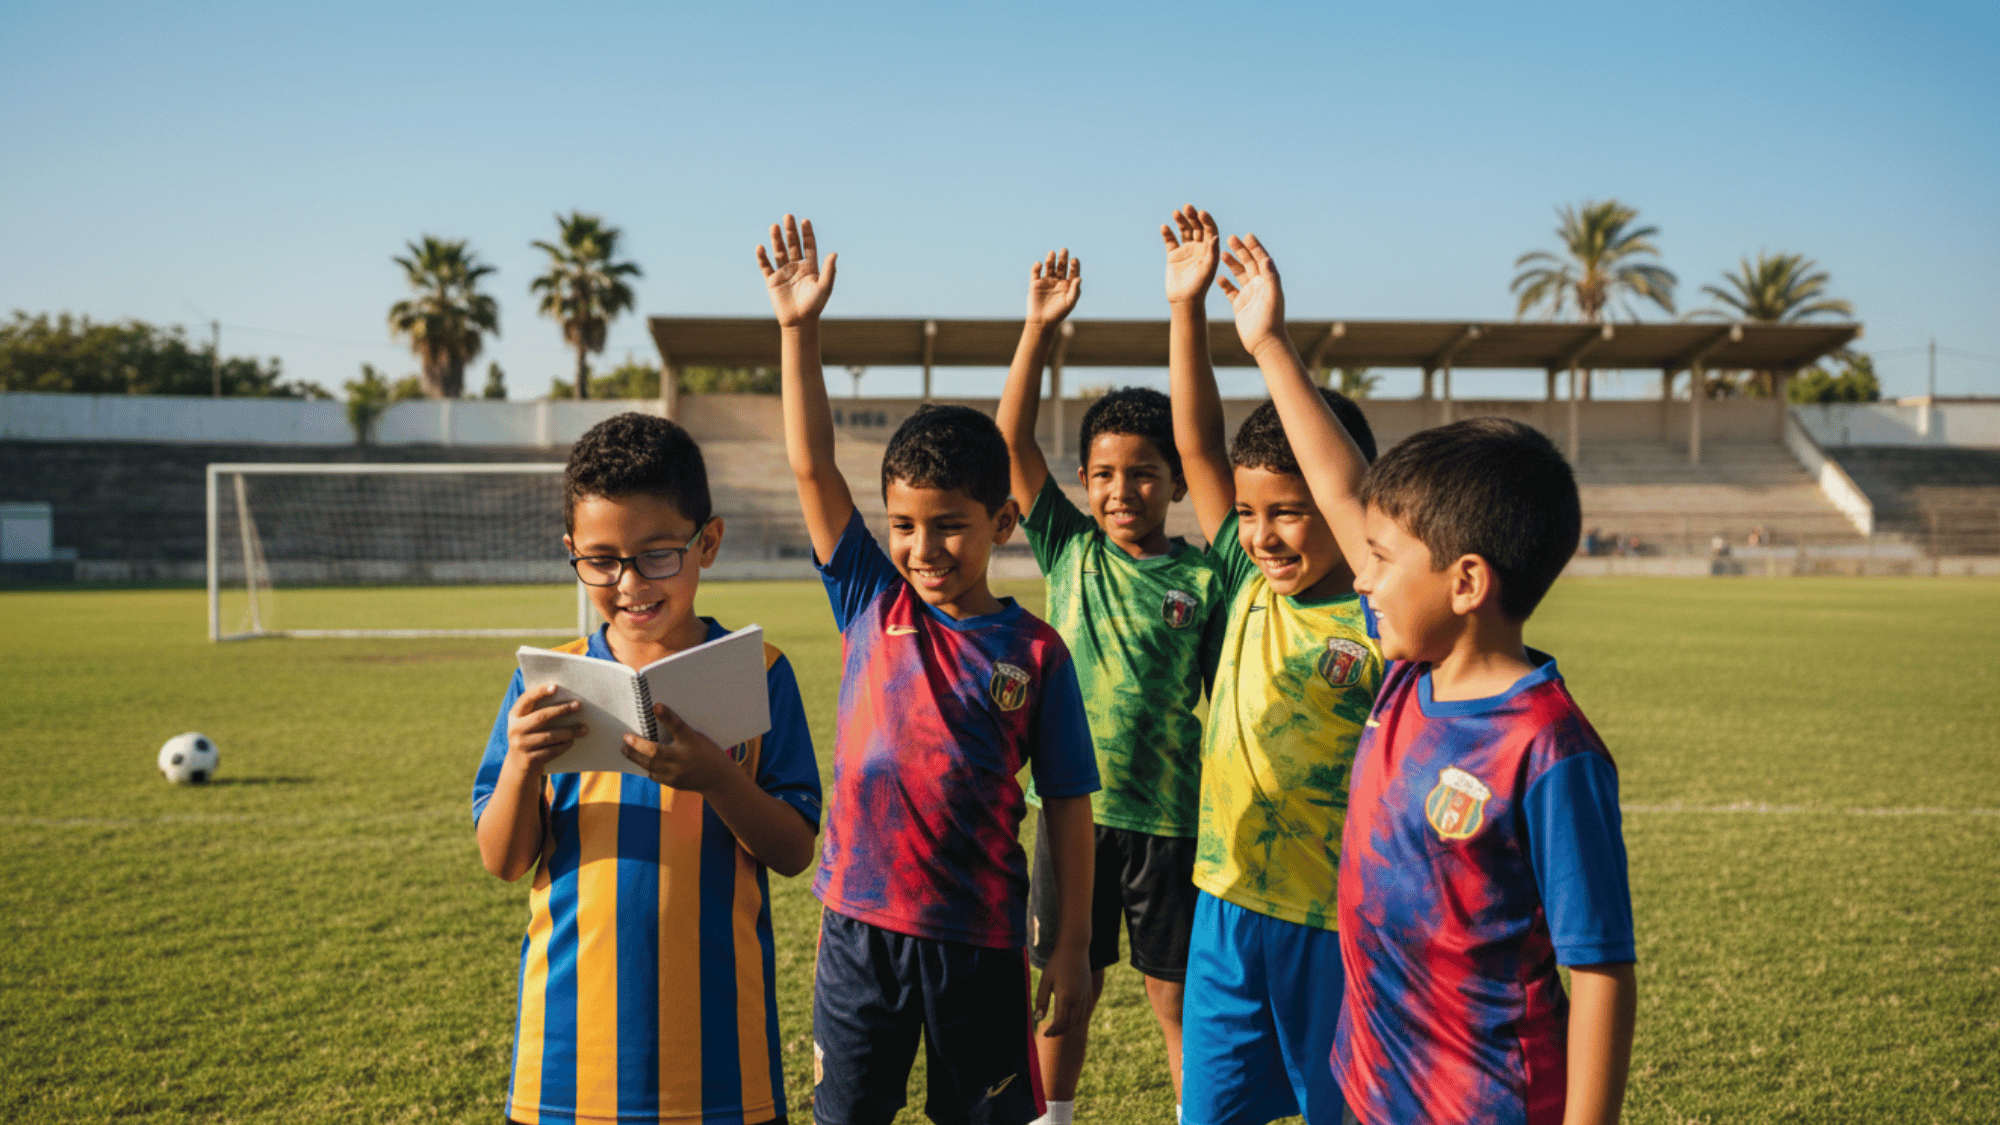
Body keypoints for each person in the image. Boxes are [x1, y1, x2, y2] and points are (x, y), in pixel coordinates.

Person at [1231, 236, 1639, 1122]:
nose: (1362, 575)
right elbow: (1346, 491)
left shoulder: (1548, 749)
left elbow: (1601, 966)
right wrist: (1268, 346)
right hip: (1371, 1085)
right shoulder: (1404, 678)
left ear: (1466, 583)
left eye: (1380, 559)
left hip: (1485, 1102)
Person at [757, 215, 1101, 1125]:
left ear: (1003, 522)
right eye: (905, 525)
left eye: (950, 523)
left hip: (980, 941)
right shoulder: (873, 597)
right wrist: (799, 331)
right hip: (858, 930)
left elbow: (1068, 803)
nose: (924, 546)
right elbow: (811, 461)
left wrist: (1069, 946)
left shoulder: (1036, 653)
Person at [472, 411, 823, 1125]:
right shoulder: (545, 685)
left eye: (657, 553)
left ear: (709, 542)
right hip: (568, 1061)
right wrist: (520, 764)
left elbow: (792, 851)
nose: (629, 581)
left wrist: (718, 778)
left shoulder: (759, 673)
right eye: (601, 559)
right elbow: (505, 859)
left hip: (722, 1064)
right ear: (572, 551)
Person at [992, 249, 1227, 1125]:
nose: (1122, 488)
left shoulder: (1205, 579)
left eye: (1143, 472)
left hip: (1171, 817)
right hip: (1073, 816)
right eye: (1104, 473)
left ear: (1173, 480)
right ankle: (1053, 1116)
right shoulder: (1070, 548)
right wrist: (1038, 330)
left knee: (1175, 1000)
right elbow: (1011, 443)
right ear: (1084, 481)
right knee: (1067, 986)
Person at [1162, 207, 1383, 1125]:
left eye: (1290, 510)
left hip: (1333, 927)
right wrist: (1186, 312)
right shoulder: (1242, 576)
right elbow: (1198, 448)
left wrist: (1272, 345)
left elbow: (1353, 495)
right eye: (1252, 514)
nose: (1263, 534)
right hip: (1225, 908)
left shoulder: (1379, 607)